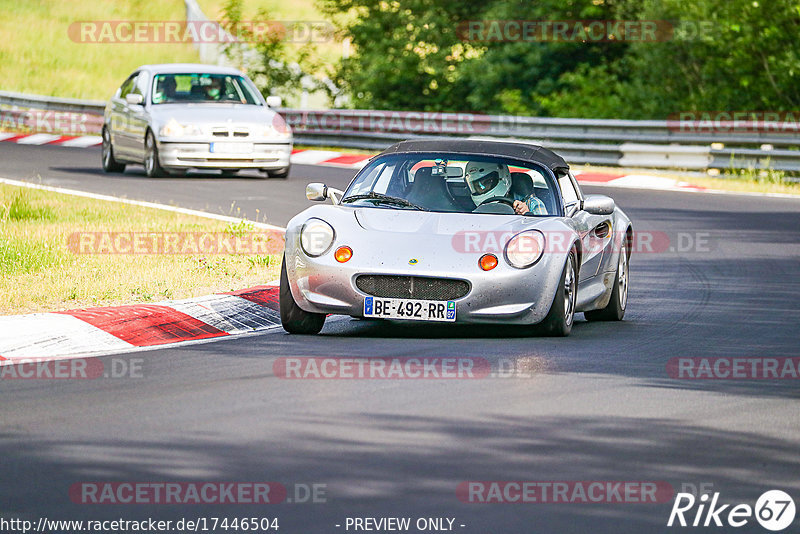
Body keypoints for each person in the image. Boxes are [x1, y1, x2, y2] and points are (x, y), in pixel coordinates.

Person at [464, 161, 547, 215]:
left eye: (487, 182)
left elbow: (545, 230)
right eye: (477, 186)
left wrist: (527, 213)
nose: (482, 188)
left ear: (502, 178)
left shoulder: (532, 203)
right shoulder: (474, 209)